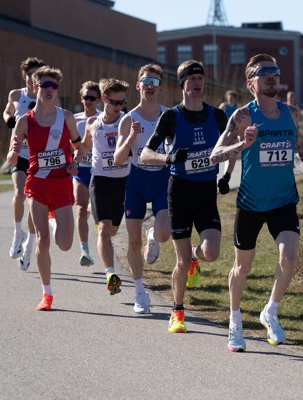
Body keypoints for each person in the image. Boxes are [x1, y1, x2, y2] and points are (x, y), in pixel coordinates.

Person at [209, 54, 303, 352]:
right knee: (242, 267)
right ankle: (235, 321)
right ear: (250, 83)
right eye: (263, 73)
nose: (271, 76)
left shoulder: (292, 113)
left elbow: (296, 149)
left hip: (284, 200)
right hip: (251, 202)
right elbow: (215, 154)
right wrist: (242, 144)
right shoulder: (243, 116)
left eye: (274, 71)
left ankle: (270, 311)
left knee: (289, 257)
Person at [140, 60, 234, 333]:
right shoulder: (171, 117)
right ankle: (177, 311)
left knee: (212, 253)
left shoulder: (217, 116)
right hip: (179, 191)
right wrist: (169, 157)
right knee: (180, 262)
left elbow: (231, 149)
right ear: (182, 84)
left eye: (200, 79)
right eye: (191, 79)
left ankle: (196, 254)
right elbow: (146, 154)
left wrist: (227, 177)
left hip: (206, 192)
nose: (197, 84)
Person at [7, 66, 84, 311]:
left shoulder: (66, 117)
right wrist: (14, 150)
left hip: (61, 184)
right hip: (37, 184)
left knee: (64, 243)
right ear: (36, 87)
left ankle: (54, 220)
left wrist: (75, 163)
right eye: (45, 85)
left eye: (54, 86)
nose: (50, 90)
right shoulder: (24, 121)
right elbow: (11, 160)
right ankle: (47, 294)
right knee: (42, 240)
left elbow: (80, 148)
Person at [114, 64, 170, 313]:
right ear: (138, 86)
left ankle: (154, 236)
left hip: (162, 180)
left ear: (160, 87)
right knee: (133, 242)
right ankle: (139, 293)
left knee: (164, 233)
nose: (150, 86)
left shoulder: (170, 116)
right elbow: (117, 159)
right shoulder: (129, 119)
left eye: (155, 82)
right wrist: (129, 138)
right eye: (146, 81)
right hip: (136, 181)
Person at [81, 78, 130, 295]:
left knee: (112, 230)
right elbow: (84, 146)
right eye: (114, 102)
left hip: (123, 182)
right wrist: (74, 158)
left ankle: (99, 217)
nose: (119, 107)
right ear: (103, 99)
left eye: (122, 103)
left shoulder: (127, 121)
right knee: (103, 228)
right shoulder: (93, 123)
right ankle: (110, 274)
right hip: (99, 180)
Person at [3, 57, 46, 270]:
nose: (34, 79)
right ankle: (17, 233)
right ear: (25, 76)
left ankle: (29, 245)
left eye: (39, 74)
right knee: (19, 193)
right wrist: (8, 119)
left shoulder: (47, 98)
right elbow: (7, 111)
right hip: (19, 153)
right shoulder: (16, 95)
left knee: (33, 202)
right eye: (31, 74)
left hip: (38, 157)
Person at [72, 80, 101, 266]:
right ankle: (84, 251)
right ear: (81, 98)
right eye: (85, 97)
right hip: (81, 169)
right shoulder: (74, 120)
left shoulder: (103, 118)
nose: (88, 101)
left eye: (92, 98)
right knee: (81, 207)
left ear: (98, 99)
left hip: (99, 170)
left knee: (95, 209)